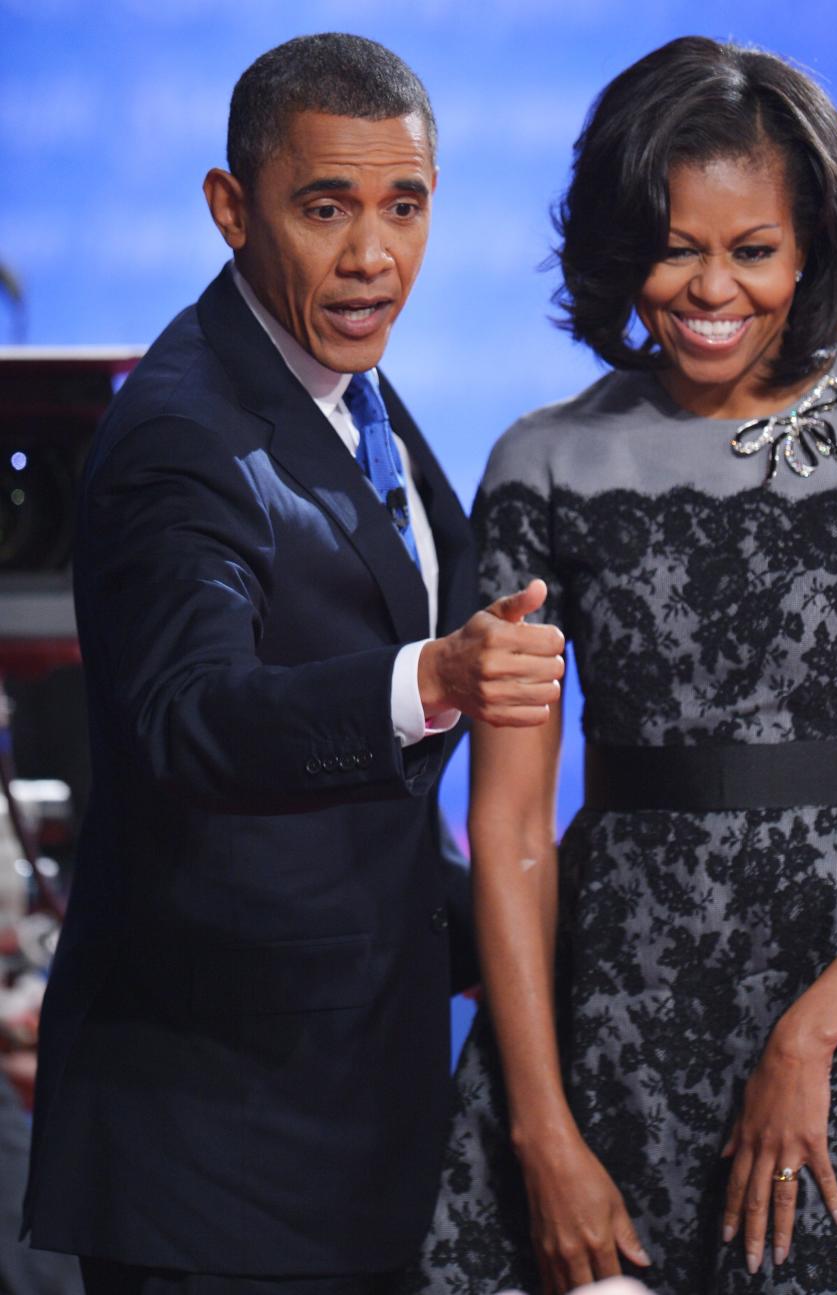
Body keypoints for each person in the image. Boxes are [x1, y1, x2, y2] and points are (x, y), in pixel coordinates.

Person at [409, 34, 837, 1295]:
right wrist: (542, 1129)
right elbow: (512, 833)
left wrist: (809, 1037)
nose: (712, 287)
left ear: (812, 246)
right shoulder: (544, 465)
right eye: (674, 246)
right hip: (616, 1022)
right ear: (620, 244)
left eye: (752, 250)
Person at [22, 33, 564, 1295]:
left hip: (341, 1114)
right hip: (216, 1148)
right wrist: (428, 680)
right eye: (326, 208)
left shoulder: (334, 375)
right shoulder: (181, 432)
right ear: (231, 208)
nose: (373, 253)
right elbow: (187, 717)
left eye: (405, 206)